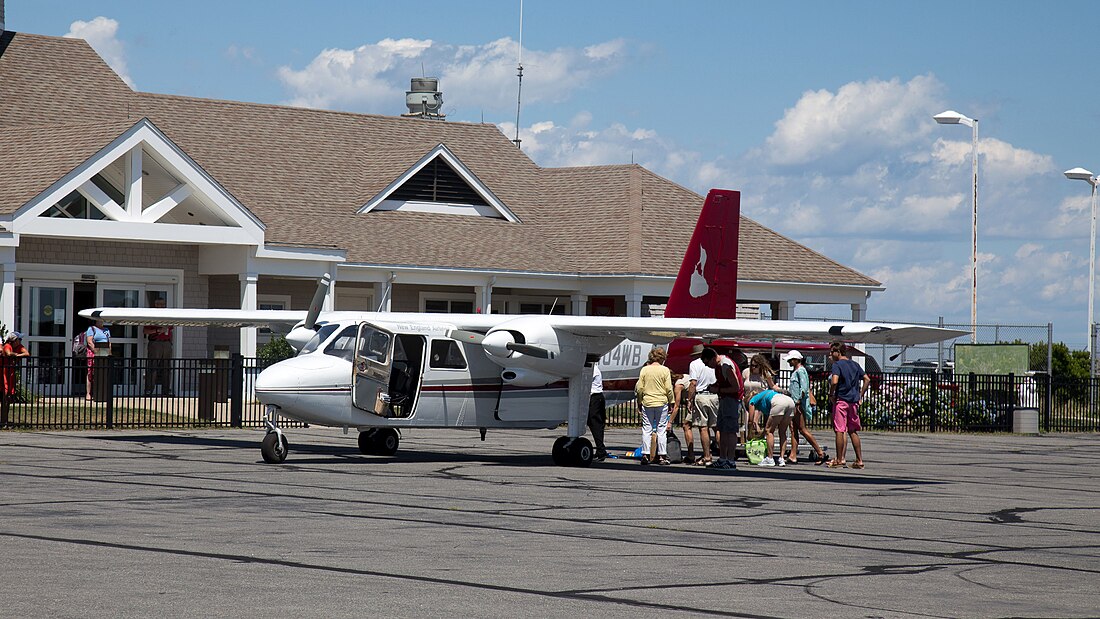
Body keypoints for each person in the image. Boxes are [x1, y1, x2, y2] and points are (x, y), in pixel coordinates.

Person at [827, 341, 870, 469]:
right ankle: (859, 460)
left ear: (838, 352)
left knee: (840, 430)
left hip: (842, 400)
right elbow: (867, 379)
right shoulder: (855, 364)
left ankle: (839, 459)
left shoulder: (837, 365)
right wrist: (860, 395)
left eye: (832, 352)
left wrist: (831, 394)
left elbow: (834, 381)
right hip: (853, 402)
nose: (830, 354)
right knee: (853, 431)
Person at [700, 347, 743, 470]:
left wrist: (717, 390)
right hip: (725, 399)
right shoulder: (719, 366)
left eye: (707, 363)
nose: (708, 366)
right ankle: (723, 458)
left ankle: (730, 460)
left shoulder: (725, 365)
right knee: (723, 429)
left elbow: (736, 387)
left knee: (730, 430)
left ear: (713, 358)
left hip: (732, 400)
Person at [785, 350, 828, 465]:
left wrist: (798, 401)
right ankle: (793, 455)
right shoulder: (796, 371)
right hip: (794, 403)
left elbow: (803, 388)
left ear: (796, 360)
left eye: (790, 359)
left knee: (802, 429)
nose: (789, 362)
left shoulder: (801, 371)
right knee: (794, 429)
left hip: (798, 404)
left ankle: (820, 452)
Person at [635, 346, 675, 466]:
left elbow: (640, 388)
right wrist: (671, 401)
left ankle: (645, 454)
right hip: (661, 402)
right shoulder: (665, 370)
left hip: (647, 401)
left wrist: (639, 401)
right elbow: (668, 388)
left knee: (646, 429)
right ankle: (662, 456)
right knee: (661, 429)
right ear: (662, 358)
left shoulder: (645, 370)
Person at [686, 344, 719, 466]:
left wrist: (689, 399)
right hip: (714, 395)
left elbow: (693, 383)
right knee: (716, 427)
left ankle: (707, 456)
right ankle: (723, 455)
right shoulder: (714, 362)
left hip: (701, 395)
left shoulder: (694, 364)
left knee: (703, 427)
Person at [746, 387, 796, 467]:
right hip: (790, 402)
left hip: (779, 402)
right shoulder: (764, 397)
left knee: (769, 431)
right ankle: (781, 459)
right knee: (782, 431)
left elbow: (750, 420)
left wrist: (749, 434)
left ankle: (770, 458)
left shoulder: (752, 400)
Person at [143, 298, 174, 396]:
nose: (161, 306)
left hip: (167, 343)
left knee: (167, 367)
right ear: (155, 305)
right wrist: (157, 331)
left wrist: (170, 342)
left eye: (163, 304)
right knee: (153, 366)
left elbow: (171, 329)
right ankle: (149, 390)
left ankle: (166, 390)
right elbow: (145, 331)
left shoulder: (167, 316)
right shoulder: (151, 315)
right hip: (155, 342)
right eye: (159, 304)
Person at [85, 320, 111, 401]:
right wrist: (96, 351)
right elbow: (89, 341)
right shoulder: (92, 329)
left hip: (104, 352)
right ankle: (88, 393)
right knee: (91, 372)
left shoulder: (106, 330)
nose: (101, 321)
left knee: (102, 372)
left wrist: (109, 352)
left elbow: (109, 342)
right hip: (94, 352)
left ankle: (101, 392)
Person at [587, 363, 608, 461]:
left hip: (595, 397)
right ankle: (600, 450)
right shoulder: (594, 369)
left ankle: (601, 451)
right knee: (596, 424)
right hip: (597, 397)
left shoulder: (592, 370)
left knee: (595, 424)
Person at [672, 372, 694, 463]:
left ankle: (691, 455)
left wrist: (670, 421)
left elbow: (676, 406)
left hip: (696, 402)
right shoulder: (683, 377)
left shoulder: (678, 385)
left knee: (686, 426)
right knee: (711, 427)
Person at [2, 332, 29, 399]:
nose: (20, 341)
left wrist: (17, 355)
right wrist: (15, 354)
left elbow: (27, 353)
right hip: (4, 370)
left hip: (10, 371)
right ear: (14, 341)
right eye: (19, 339)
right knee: (5, 387)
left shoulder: (19, 346)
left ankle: (8, 400)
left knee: (10, 387)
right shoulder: (7, 345)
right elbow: (8, 353)